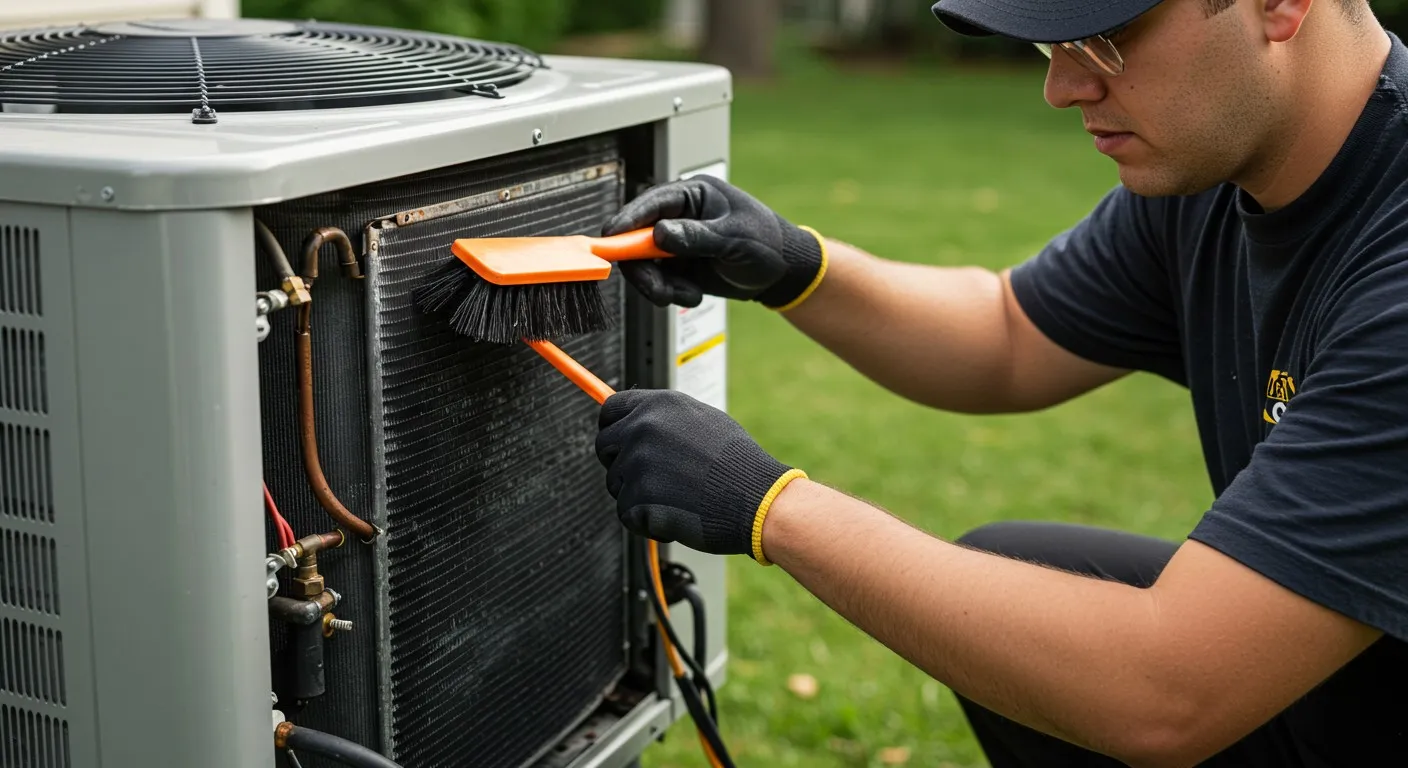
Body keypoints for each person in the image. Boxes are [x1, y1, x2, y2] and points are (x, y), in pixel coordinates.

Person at [592, 0, 1408, 765]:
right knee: (1013, 578)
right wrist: (797, 266)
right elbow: (1010, 332)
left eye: (1105, 38)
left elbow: (1167, 692)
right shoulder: (1220, 174)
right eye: (1053, 45)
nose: (1063, 87)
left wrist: (771, 507)